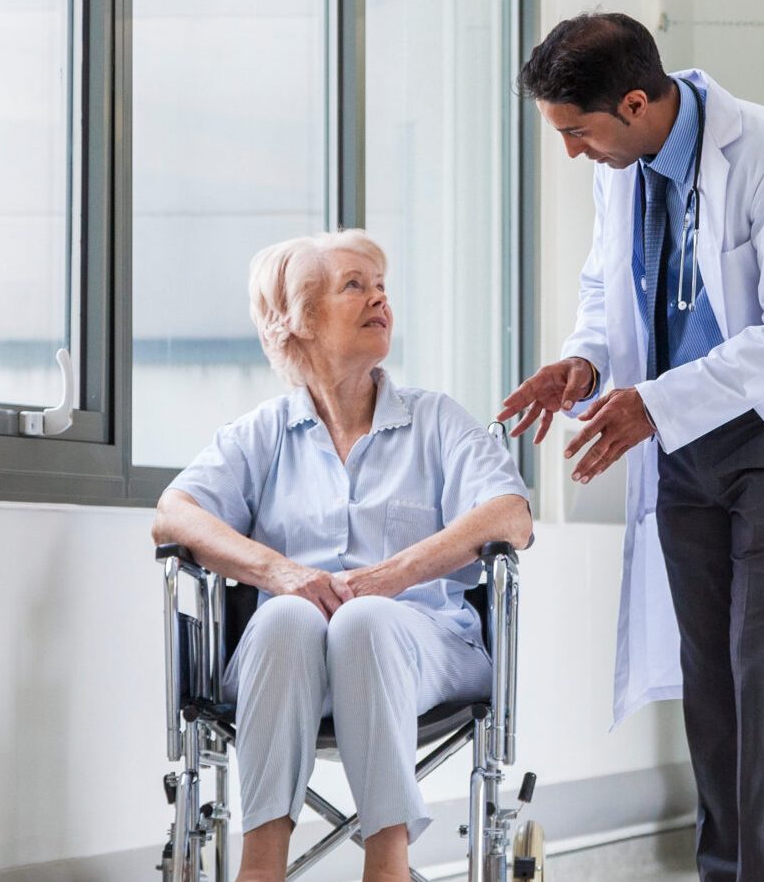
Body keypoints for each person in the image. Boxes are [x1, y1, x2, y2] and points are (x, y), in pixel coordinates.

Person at [497, 13, 764, 882]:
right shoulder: (620, 168)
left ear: (635, 103)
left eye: (578, 132)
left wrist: (656, 403)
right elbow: (607, 282)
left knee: (763, 678)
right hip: (681, 453)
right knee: (709, 686)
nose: (571, 153)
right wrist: (584, 361)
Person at [151, 230, 534, 882]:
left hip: (426, 649)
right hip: (286, 663)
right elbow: (173, 515)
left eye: (381, 284)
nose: (379, 296)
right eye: (355, 284)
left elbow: (510, 515)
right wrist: (278, 571)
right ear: (298, 319)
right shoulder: (264, 434)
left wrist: (391, 576)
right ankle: (262, 862)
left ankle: (386, 864)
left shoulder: (436, 422)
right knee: (285, 616)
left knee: (363, 618)